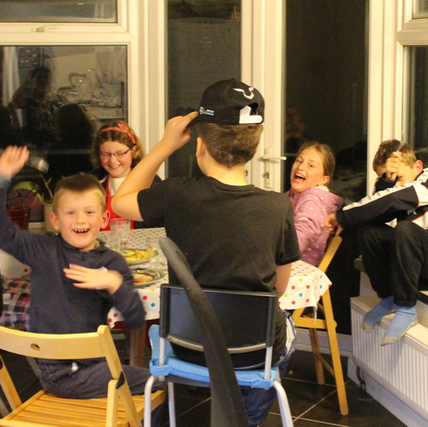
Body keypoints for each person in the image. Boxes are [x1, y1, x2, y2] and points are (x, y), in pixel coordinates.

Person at [112, 78, 301, 427]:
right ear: (255, 148)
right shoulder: (278, 207)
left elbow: (120, 201)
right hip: (252, 353)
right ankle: (248, 418)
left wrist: (165, 145)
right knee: (284, 326)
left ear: (200, 145)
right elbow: (279, 288)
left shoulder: (176, 195)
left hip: (187, 346)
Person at [0, 146, 164, 425]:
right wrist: (0, 177)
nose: (80, 220)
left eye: (89, 212)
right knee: (159, 382)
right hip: (69, 373)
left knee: (139, 377)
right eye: (70, 213)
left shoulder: (111, 263)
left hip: (89, 369)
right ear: (54, 220)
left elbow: (136, 318)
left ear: (103, 219)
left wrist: (114, 283)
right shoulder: (43, 250)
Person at [326, 139, 428, 345]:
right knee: (369, 231)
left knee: (405, 229)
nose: (398, 185)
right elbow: (378, 211)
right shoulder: (400, 190)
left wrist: (343, 217)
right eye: (390, 180)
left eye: (399, 177)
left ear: (418, 166)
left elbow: (393, 199)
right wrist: (387, 182)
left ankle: (406, 308)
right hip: (425, 266)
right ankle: (389, 298)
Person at [91, 119, 160, 230]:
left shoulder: (151, 184)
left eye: (120, 153)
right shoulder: (91, 183)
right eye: (106, 154)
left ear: (133, 151)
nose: (112, 160)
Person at [287, 141, 342, 266]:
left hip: (298, 268)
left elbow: (299, 240)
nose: (301, 167)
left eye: (311, 166)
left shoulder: (313, 200)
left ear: (323, 180)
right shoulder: (291, 196)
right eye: (299, 161)